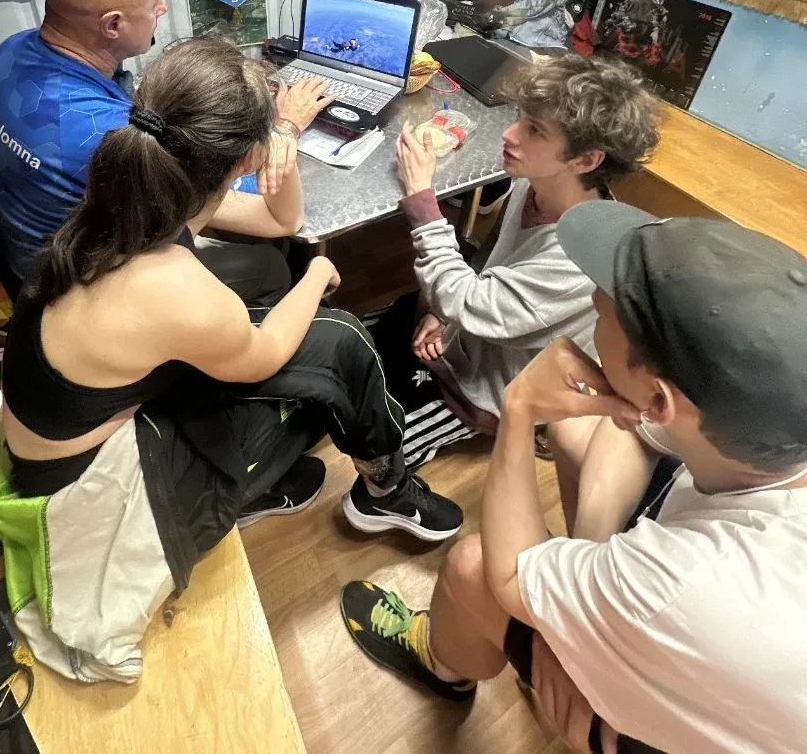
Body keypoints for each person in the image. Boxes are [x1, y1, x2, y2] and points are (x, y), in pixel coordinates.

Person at [0, 37, 463, 683]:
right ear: (241, 158)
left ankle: (269, 481)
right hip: (94, 488)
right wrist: (317, 276)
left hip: (65, 431)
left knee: (270, 268)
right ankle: (382, 491)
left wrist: (283, 137)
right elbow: (264, 357)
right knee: (338, 347)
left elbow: (280, 221)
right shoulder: (175, 287)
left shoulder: (136, 188)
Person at [341, 205, 807, 754]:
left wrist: (519, 408)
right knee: (576, 430)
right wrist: (591, 570)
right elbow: (637, 433)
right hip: (752, 684)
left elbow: (508, 577)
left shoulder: (689, 582)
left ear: (659, 398)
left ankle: (442, 666)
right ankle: (584, 609)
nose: (590, 313)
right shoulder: (769, 425)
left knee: (472, 569)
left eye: (601, 315)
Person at [0, 0, 331, 297]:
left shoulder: (10, 51)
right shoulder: (107, 138)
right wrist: (281, 128)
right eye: (154, 3)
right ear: (113, 24)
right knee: (270, 263)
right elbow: (273, 215)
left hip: (24, 256)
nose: (162, 10)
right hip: (75, 291)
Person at [369, 53, 660, 482]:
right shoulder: (533, 183)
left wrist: (421, 200)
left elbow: (472, 302)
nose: (509, 134)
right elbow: (487, 263)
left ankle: (384, 495)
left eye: (534, 130)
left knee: (377, 448)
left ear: (585, 161)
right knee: (353, 349)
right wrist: (442, 312)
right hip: (467, 331)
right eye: (520, 118)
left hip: (484, 389)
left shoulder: (578, 259)